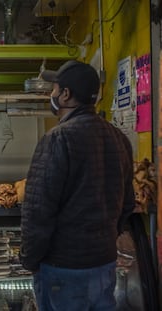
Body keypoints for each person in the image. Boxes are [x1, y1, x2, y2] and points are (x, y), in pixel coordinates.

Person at [20, 60, 135, 310]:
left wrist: (29, 260)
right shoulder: (119, 138)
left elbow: (38, 211)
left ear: (65, 95)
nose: (52, 94)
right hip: (104, 264)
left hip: (64, 269)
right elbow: (127, 203)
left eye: (54, 89)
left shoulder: (58, 138)